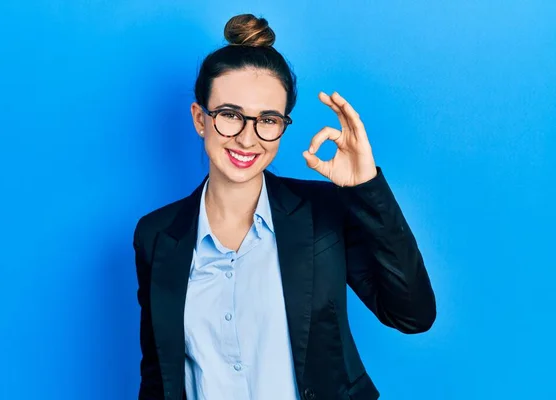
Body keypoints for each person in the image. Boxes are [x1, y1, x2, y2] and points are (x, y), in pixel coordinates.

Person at [133, 13, 436, 400]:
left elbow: (412, 314)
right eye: (229, 115)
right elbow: (159, 375)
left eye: (268, 120)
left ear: (283, 126)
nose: (247, 138)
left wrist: (366, 187)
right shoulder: (156, 235)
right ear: (200, 119)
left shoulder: (322, 212)